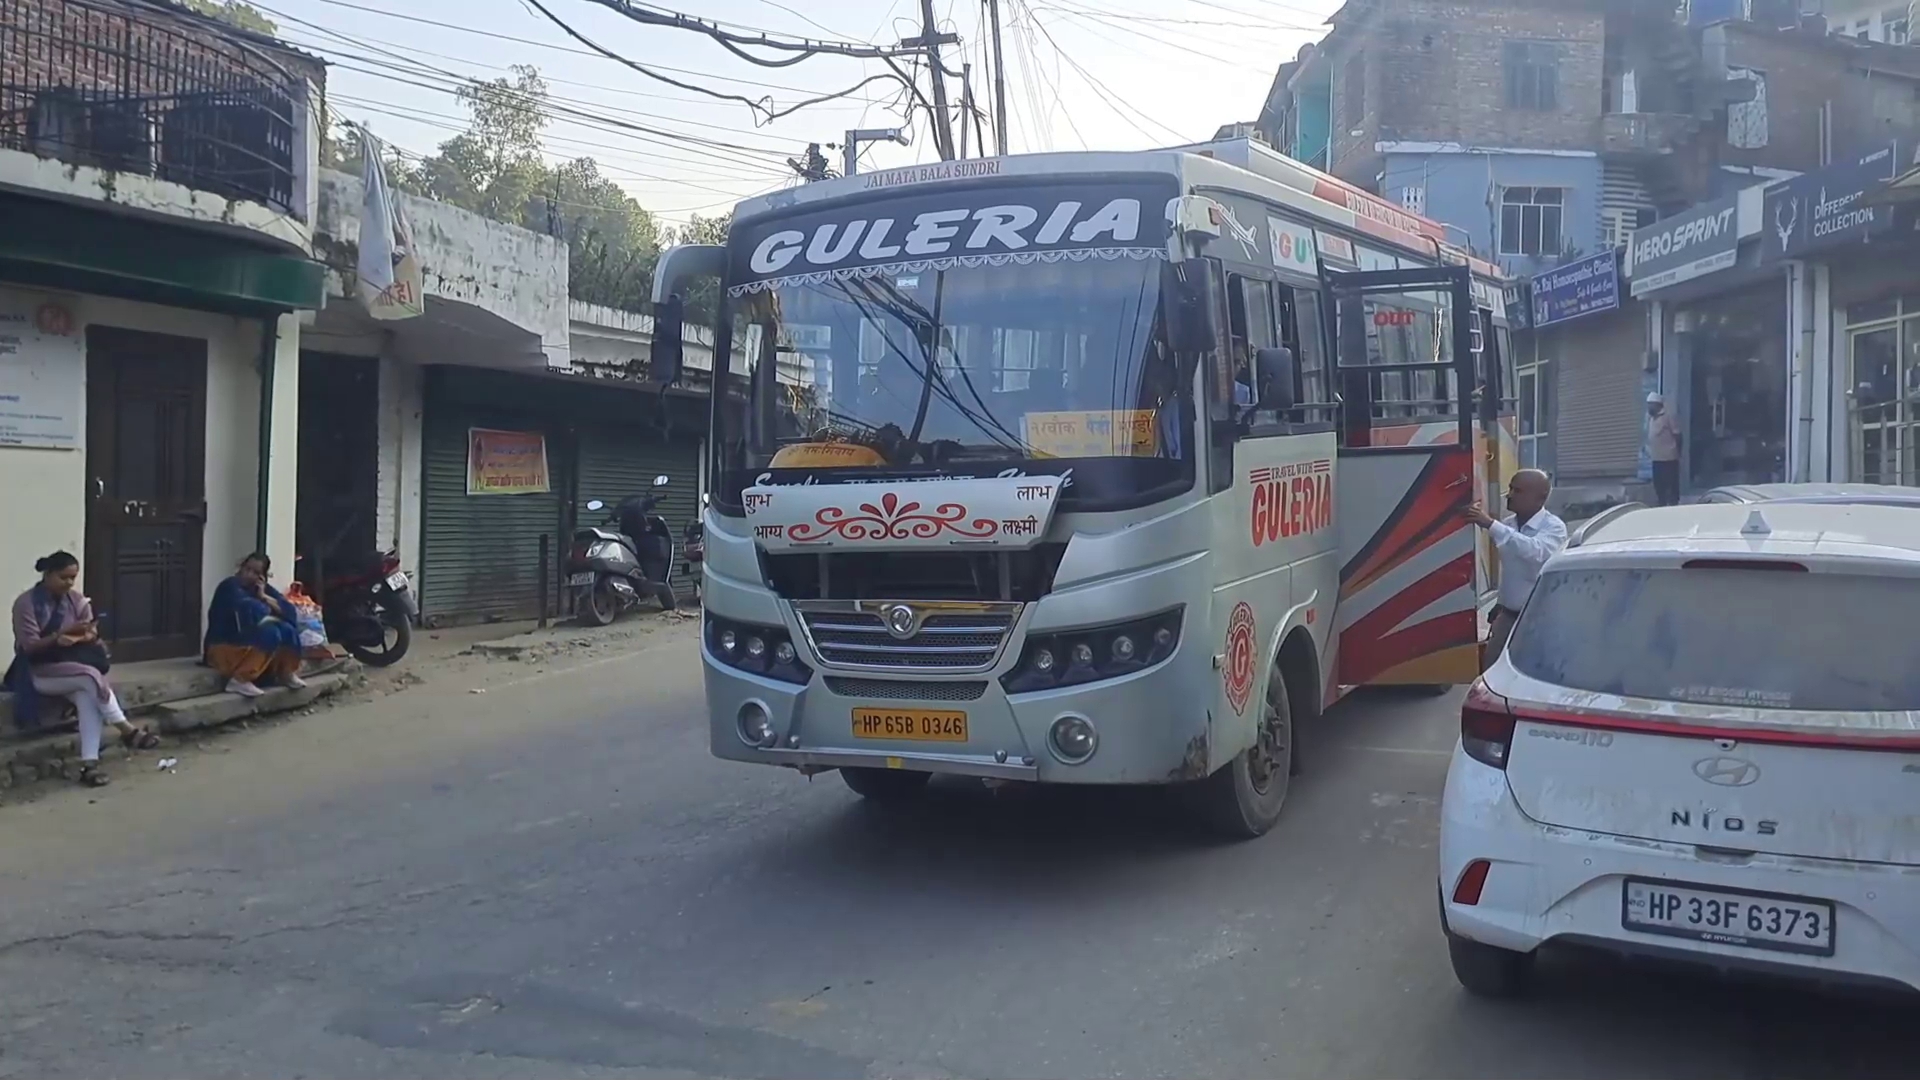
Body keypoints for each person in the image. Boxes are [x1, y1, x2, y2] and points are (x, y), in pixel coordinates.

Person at [7, 551, 160, 787]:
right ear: (48, 575)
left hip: (72, 664)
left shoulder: (76, 600)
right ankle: (127, 730)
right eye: (63, 577)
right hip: (39, 670)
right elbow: (29, 646)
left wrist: (83, 635)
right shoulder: (26, 603)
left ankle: (90, 764)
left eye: (73, 578)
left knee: (87, 695)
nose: (69, 583)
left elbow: (91, 633)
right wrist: (58, 637)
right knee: (91, 679)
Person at [1462, 469, 1568, 668]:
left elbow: (1536, 553)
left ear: (1540, 498)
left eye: (1517, 491)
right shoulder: (1508, 525)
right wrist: (1501, 602)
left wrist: (1490, 524)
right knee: (1491, 668)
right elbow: (1512, 570)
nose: (1509, 495)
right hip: (1508, 615)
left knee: (1535, 672)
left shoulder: (1554, 528)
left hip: (1540, 620)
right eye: (1510, 488)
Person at [204, 553, 307, 699]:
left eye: (255, 573)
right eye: (247, 569)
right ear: (241, 567)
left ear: (262, 577)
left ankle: (286, 673)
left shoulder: (261, 589)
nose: (248, 575)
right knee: (271, 632)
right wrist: (267, 605)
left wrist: (264, 597)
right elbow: (252, 611)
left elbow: (290, 613)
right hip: (222, 647)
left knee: (287, 630)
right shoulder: (229, 586)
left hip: (244, 644)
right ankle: (240, 679)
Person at [1647, 392, 1683, 506]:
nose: (1649, 407)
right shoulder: (1651, 419)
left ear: (1658, 405)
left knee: (1671, 485)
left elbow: (1678, 435)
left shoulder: (1668, 416)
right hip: (1656, 458)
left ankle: (1673, 504)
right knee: (1659, 486)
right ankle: (1661, 503)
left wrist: (1678, 451)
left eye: (1651, 405)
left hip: (1669, 458)